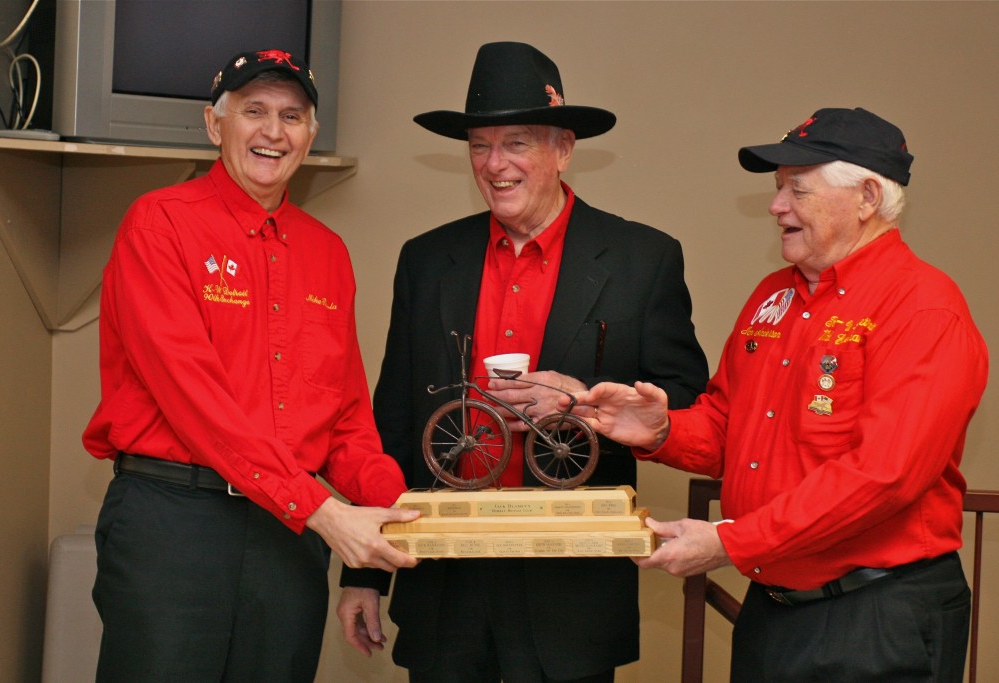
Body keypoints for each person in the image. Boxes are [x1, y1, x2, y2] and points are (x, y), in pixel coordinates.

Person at [571, 107, 988, 681]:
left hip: (877, 618)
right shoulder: (774, 296)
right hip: (775, 610)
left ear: (867, 196)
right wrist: (663, 430)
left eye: (797, 188)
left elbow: (883, 475)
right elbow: (730, 430)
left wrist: (733, 542)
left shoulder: (922, 307)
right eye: (777, 188)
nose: (775, 205)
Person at [337, 41, 709, 683]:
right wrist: (364, 572)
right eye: (480, 145)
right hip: (444, 577)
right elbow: (393, 417)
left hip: (571, 592)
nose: (494, 163)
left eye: (517, 143)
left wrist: (586, 403)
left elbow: (680, 403)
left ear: (563, 148)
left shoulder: (642, 260)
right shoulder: (427, 261)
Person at [82, 49, 419, 683]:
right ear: (216, 125)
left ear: (311, 136)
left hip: (285, 543)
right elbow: (195, 402)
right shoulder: (159, 224)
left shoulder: (327, 253)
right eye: (254, 111)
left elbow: (346, 421)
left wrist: (410, 510)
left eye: (292, 116)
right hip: (174, 522)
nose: (273, 131)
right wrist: (321, 510)